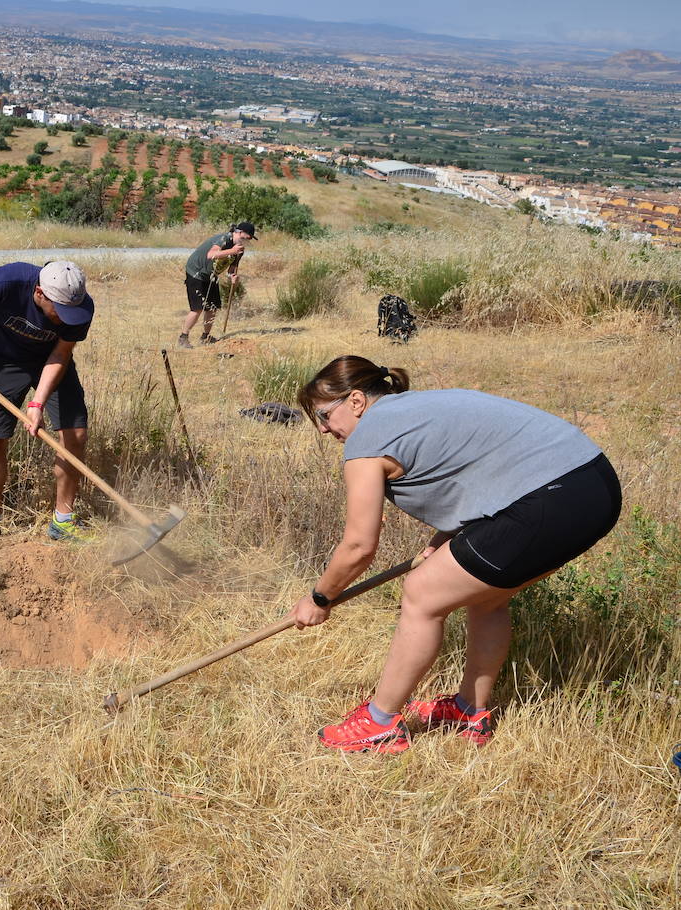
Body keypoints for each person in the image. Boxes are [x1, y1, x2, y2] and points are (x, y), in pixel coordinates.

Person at [288, 355, 621, 753]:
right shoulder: (418, 408)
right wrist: (442, 540)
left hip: (548, 497)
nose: (324, 429)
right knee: (487, 597)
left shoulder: (368, 438)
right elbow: (479, 474)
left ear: (356, 401)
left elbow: (359, 546)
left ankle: (379, 724)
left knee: (422, 594)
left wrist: (320, 597)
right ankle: (469, 710)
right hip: (593, 486)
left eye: (325, 415)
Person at [0, 260, 94, 540]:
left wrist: (37, 404)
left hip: (51, 361)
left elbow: (60, 355)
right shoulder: (6, 282)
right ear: (40, 293)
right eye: (60, 311)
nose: (67, 318)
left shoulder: (79, 307)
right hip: (5, 359)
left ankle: (62, 521)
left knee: (75, 432)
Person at [178, 221, 255, 349]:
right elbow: (211, 255)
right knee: (197, 308)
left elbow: (232, 268)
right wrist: (232, 250)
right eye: (247, 237)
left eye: (249, 239)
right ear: (240, 232)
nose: (247, 241)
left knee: (212, 307)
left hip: (212, 275)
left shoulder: (239, 250)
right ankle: (183, 337)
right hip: (196, 272)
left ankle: (206, 337)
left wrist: (232, 277)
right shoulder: (224, 239)